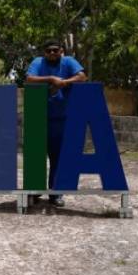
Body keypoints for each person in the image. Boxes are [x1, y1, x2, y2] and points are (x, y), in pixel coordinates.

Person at [26, 39, 87, 207]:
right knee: (36, 157)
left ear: (61, 51)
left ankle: (55, 193)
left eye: (55, 50)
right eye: (48, 51)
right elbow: (30, 79)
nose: (52, 53)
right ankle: (35, 191)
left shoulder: (68, 62)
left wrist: (64, 82)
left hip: (61, 118)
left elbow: (82, 76)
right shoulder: (38, 62)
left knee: (57, 158)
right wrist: (51, 78)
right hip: (38, 118)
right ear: (44, 53)